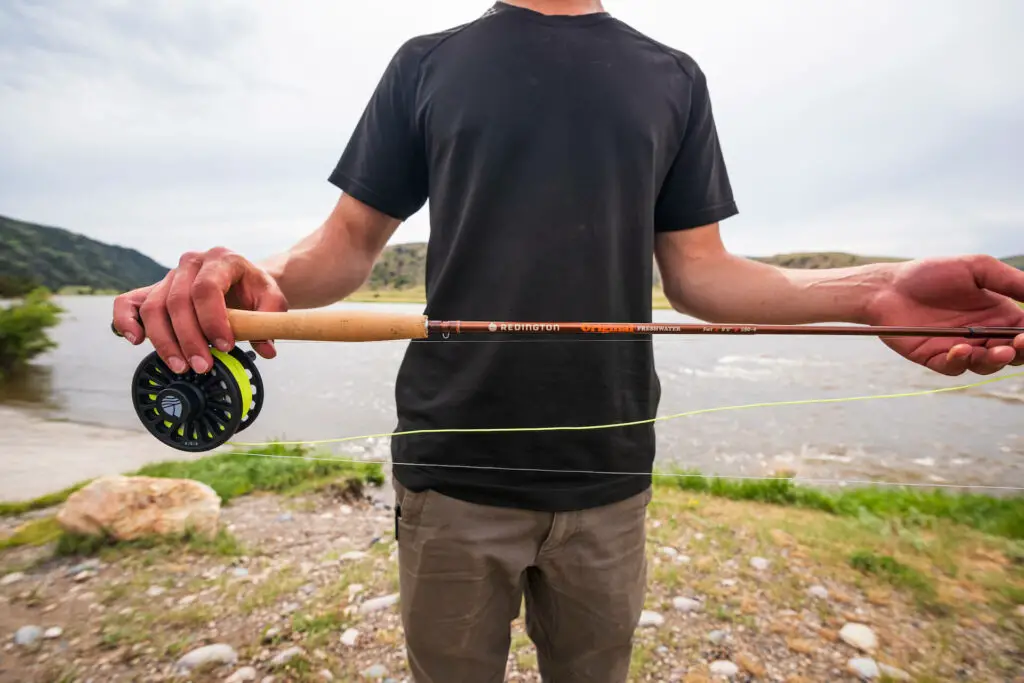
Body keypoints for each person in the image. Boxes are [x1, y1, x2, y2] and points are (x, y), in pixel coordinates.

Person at [112, 1, 1024, 681]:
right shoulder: (425, 64)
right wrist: (246, 278)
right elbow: (345, 246)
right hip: (449, 470)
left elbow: (701, 274)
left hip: (610, 472)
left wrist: (874, 293)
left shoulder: (673, 76)